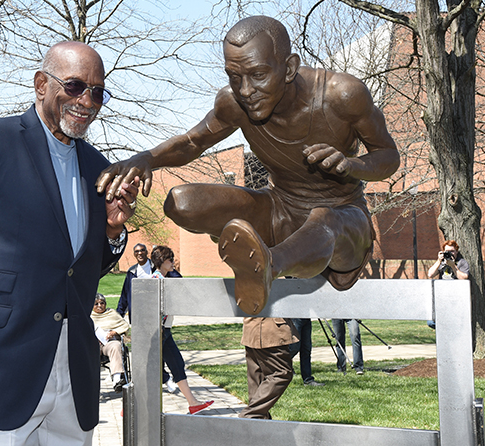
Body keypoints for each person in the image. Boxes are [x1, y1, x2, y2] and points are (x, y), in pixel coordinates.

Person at [96, 15, 400, 316]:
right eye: (234, 76)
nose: (245, 90)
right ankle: (255, 249)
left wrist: (350, 165)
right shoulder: (234, 104)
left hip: (344, 224)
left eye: (258, 75)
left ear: (290, 67)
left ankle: (268, 266)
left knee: (325, 219)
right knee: (181, 202)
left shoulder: (342, 94)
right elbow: (192, 142)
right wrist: (145, 158)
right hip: (281, 213)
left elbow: (388, 156)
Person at [0, 41, 139, 446]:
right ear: (41, 84)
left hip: (74, 374)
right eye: (75, 86)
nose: (87, 101)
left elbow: (78, 270)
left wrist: (111, 233)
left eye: (97, 91)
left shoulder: (97, 167)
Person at [150, 245, 214, 414]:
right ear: (161, 261)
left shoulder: (164, 278)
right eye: (170, 259)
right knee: (151, 369)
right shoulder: (156, 280)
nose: (173, 262)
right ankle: (130, 406)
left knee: (177, 364)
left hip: (165, 331)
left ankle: (193, 403)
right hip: (159, 331)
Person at [239, 317, 298, 419]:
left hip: (252, 327)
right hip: (270, 329)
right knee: (281, 373)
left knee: (257, 380)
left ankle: (256, 424)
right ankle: (250, 415)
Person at [90, 293, 130, 392]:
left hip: (110, 342)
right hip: (94, 343)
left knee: (116, 346)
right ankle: (89, 382)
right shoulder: (89, 316)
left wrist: (113, 332)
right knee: (88, 349)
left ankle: (117, 379)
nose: (99, 306)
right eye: (96, 304)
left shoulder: (111, 313)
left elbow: (124, 325)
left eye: (102, 303)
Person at [426, 240, 469, 328]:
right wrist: (439, 260)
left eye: (452, 251)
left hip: (456, 297)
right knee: (431, 322)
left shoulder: (462, 262)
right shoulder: (441, 263)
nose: (450, 254)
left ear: (457, 251)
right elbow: (430, 274)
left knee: (454, 322)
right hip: (442, 296)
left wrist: (453, 266)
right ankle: (445, 330)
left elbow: (464, 278)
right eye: (447, 251)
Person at [116, 243, 152, 320]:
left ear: (147, 252)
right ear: (134, 254)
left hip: (153, 309)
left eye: (142, 250)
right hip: (137, 312)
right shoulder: (132, 271)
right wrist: (119, 316)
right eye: (137, 251)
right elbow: (125, 295)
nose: (140, 253)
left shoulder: (155, 267)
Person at [289, 318, 324, 386]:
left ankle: (308, 380)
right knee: (294, 348)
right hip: (295, 318)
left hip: (306, 317)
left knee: (306, 349)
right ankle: (274, 366)